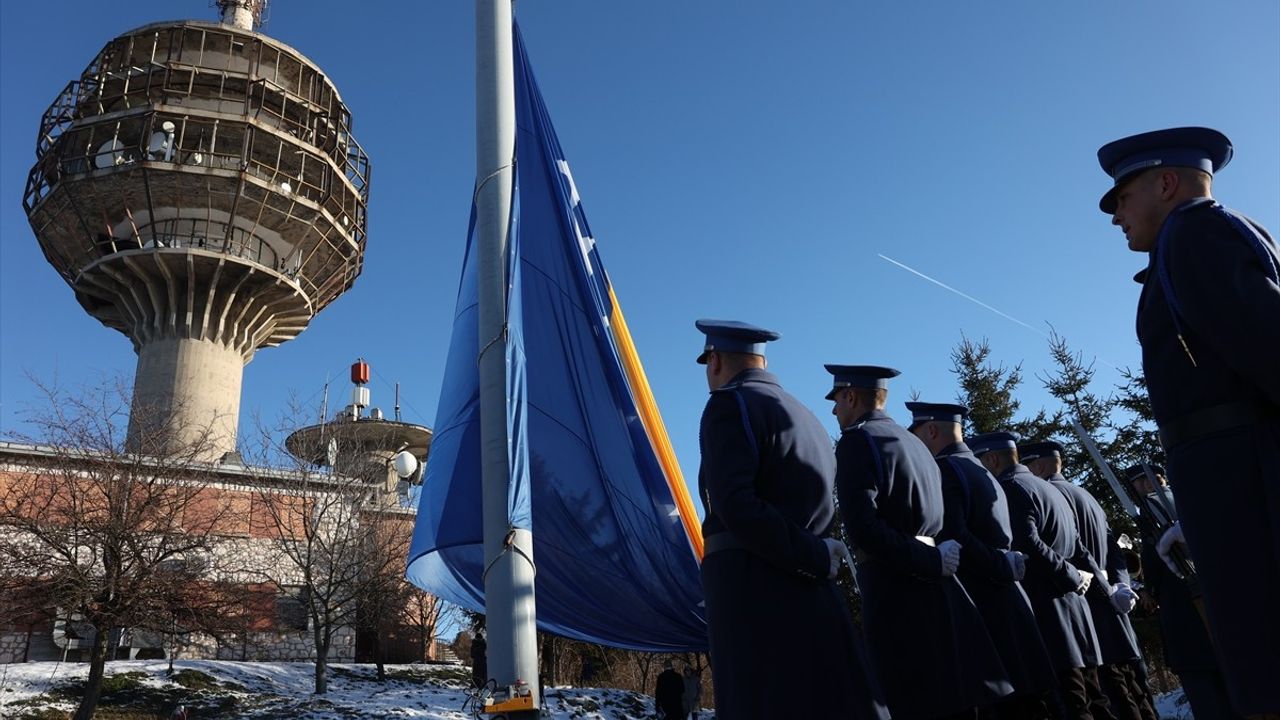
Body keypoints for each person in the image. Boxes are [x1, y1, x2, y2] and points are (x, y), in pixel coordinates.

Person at [1097, 126, 1280, 716]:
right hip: (1225, 475)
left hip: (1241, 477)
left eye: (1122, 198)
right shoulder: (1183, 243)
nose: (1115, 215)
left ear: (1167, 183)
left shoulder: (1197, 233)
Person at [694, 321, 888, 720]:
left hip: (751, 589)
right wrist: (813, 554)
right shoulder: (808, 417)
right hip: (805, 591)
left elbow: (736, 507)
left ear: (714, 361)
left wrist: (811, 554)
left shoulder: (729, 405)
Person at [829, 366, 1012, 719]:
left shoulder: (857, 441)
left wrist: (925, 561)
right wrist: (933, 559)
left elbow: (863, 527)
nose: (835, 410)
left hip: (895, 590)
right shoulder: (916, 444)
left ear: (851, 396)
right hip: (939, 591)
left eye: (837, 400)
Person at [908, 403, 1057, 719]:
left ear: (931, 431)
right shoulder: (982, 471)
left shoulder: (947, 470)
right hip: (1010, 602)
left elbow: (954, 536)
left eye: (918, 434)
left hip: (982, 607)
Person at [968, 432, 1107, 720]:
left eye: (981, 462)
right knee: (1095, 701)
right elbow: (1079, 547)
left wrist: (1070, 576)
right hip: (1077, 610)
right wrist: (1095, 583)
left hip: (1050, 610)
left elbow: (1029, 544)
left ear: (992, 459)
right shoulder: (1050, 488)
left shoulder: (1011, 488)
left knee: (1074, 705)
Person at [1022, 441, 1154, 720]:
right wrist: (1120, 586)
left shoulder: (1047, 494)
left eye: (1028, 465)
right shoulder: (1086, 496)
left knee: (1110, 695)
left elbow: (1076, 556)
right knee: (1134, 692)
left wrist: (1104, 588)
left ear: (1040, 466)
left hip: (1085, 603)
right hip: (1111, 602)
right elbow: (1114, 551)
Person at [1125, 464, 1243, 720]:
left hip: (1187, 614)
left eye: (1146, 481)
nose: (1142, 487)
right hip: (1217, 612)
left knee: (1210, 697)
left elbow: (1155, 562)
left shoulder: (1156, 510)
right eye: (1138, 483)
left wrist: (1151, 589)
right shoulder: (1190, 502)